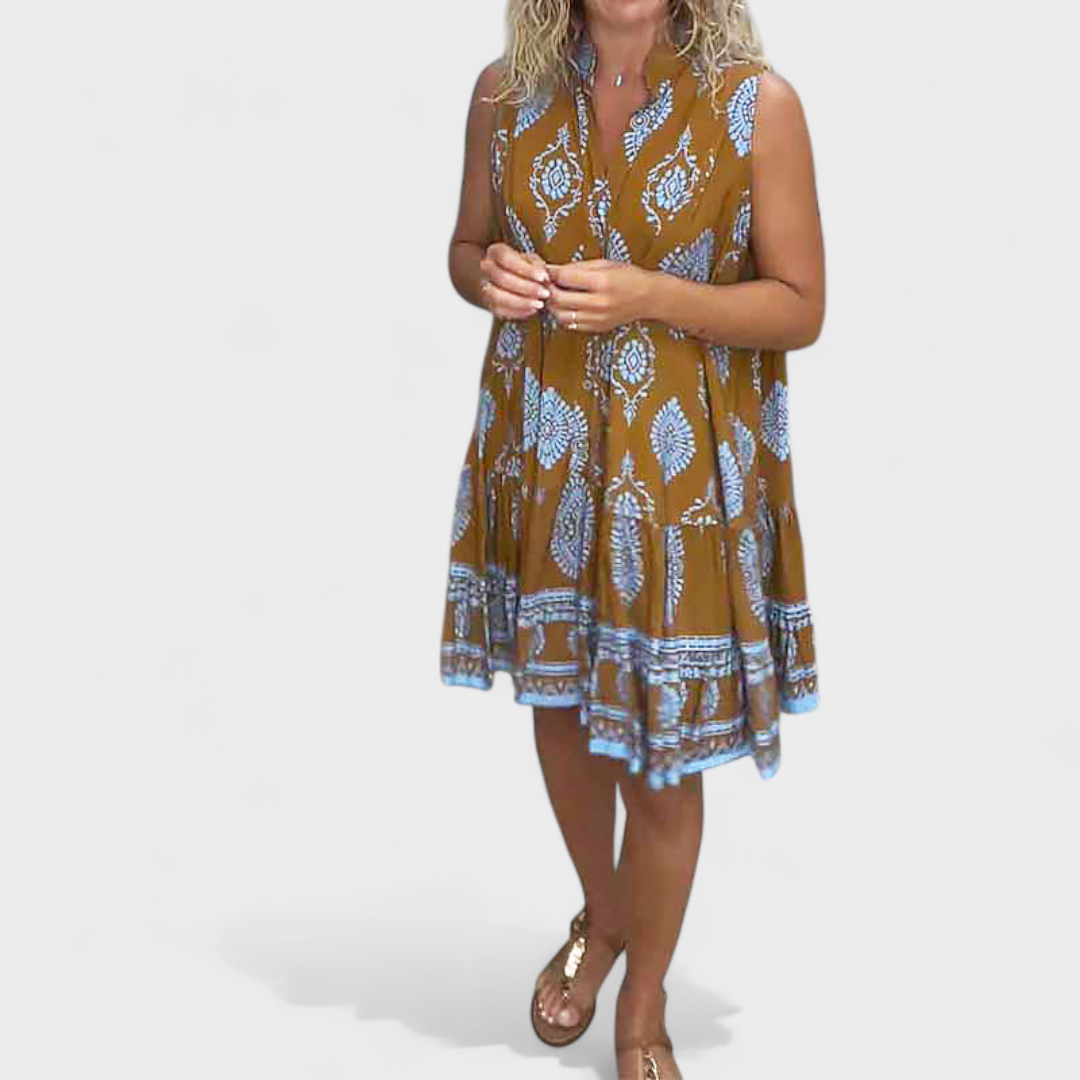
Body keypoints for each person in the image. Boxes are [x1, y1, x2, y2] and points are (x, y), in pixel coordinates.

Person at [439, 0, 824, 1075]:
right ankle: (605, 914)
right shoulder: (504, 95)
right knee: (561, 710)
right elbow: (464, 248)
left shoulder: (756, 106)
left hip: (676, 482)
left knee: (659, 753)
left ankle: (643, 1003)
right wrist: (484, 275)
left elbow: (801, 305)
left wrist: (655, 295)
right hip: (546, 451)